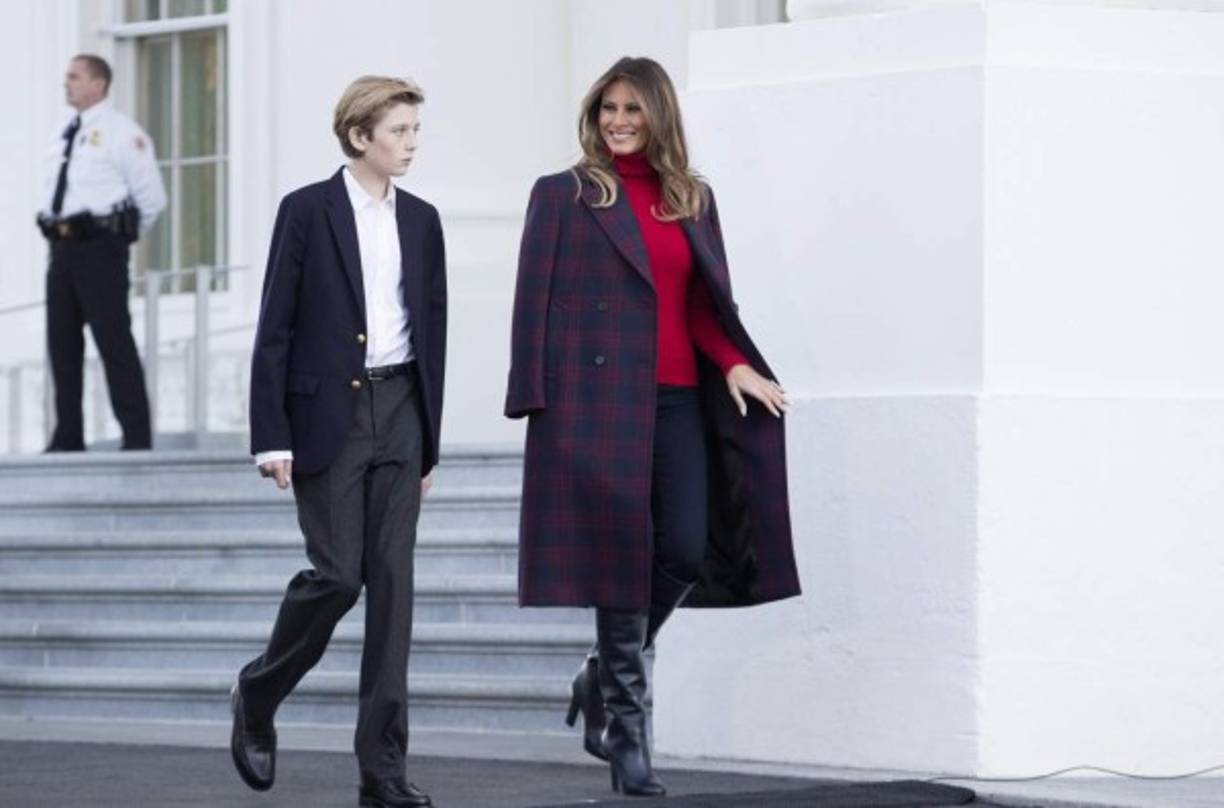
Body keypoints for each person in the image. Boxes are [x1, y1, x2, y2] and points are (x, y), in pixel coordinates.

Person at [505, 56, 802, 797]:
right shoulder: (565, 195)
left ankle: (602, 674)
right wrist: (537, 403)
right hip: (595, 406)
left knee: (686, 546)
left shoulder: (690, 199)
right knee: (619, 564)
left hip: (675, 400)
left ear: (659, 115)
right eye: (609, 108)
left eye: (633, 109)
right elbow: (531, 303)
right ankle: (629, 735)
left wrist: (734, 364)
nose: (619, 122)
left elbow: (704, 303)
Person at [233, 75, 446, 808]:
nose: (412, 145)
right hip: (329, 417)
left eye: (416, 131)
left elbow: (434, 335)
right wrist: (271, 436)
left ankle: (382, 771)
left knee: (393, 592)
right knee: (339, 577)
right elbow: (275, 327)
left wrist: (431, 444)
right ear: (361, 136)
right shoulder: (306, 211)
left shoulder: (423, 221)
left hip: (403, 411)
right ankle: (258, 693)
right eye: (399, 132)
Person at [38, 54, 166, 452]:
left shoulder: (122, 133)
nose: (67, 84)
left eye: (74, 77)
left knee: (114, 343)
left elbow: (152, 198)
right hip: (62, 247)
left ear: (98, 83)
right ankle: (68, 436)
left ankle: (136, 436)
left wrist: (117, 240)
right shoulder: (65, 132)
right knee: (62, 346)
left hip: (100, 248)